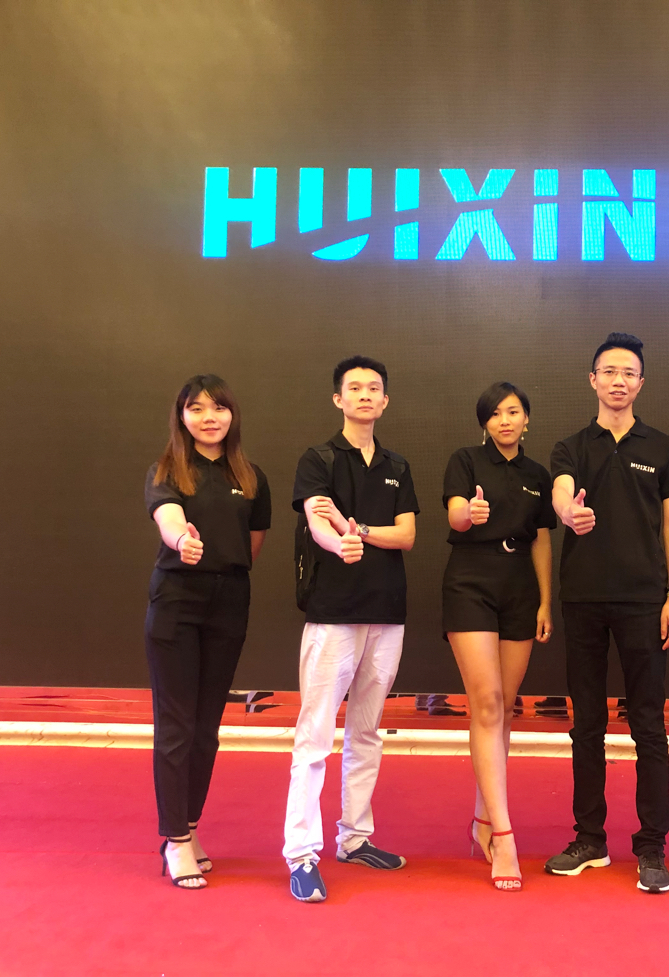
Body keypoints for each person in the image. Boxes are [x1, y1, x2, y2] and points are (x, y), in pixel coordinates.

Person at [547, 332, 669, 894]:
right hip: (583, 599)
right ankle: (589, 838)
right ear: (593, 380)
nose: (618, 381)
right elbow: (562, 492)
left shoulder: (664, 449)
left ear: (640, 383)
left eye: (628, 372)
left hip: (645, 601)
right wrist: (569, 513)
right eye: (608, 371)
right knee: (586, 723)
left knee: (648, 724)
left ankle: (652, 846)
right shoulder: (570, 447)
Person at [283, 356, 419, 903]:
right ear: (338, 399)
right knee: (315, 733)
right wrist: (337, 541)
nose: (365, 395)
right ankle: (301, 854)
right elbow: (316, 519)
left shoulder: (397, 465)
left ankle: (355, 837)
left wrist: (357, 528)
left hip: (386, 613)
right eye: (354, 387)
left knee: (367, 732)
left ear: (385, 401)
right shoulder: (318, 459)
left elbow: (407, 535)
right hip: (334, 613)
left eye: (374, 388)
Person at [143, 374, 271, 889]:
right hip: (177, 601)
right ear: (182, 417)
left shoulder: (252, 476)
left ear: (232, 414)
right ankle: (174, 840)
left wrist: (221, 563)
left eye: (218, 407)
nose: (208, 417)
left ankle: (190, 827)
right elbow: (168, 517)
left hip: (229, 601)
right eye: (196, 408)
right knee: (176, 726)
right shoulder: (167, 470)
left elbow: (253, 542)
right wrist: (183, 541)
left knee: (206, 729)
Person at [442, 382, 556, 891]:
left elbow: (542, 541)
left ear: (526, 419)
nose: (505, 420)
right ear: (484, 423)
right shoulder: (465, 460)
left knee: (505, 709)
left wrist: (545, 601)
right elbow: (453, 513)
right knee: (486, 703)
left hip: (519, 590)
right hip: (470, 581)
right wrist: (470, 514)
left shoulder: (537, 475)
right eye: (495, 414)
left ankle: (484, 817)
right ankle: (505, 836)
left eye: (513, 412)